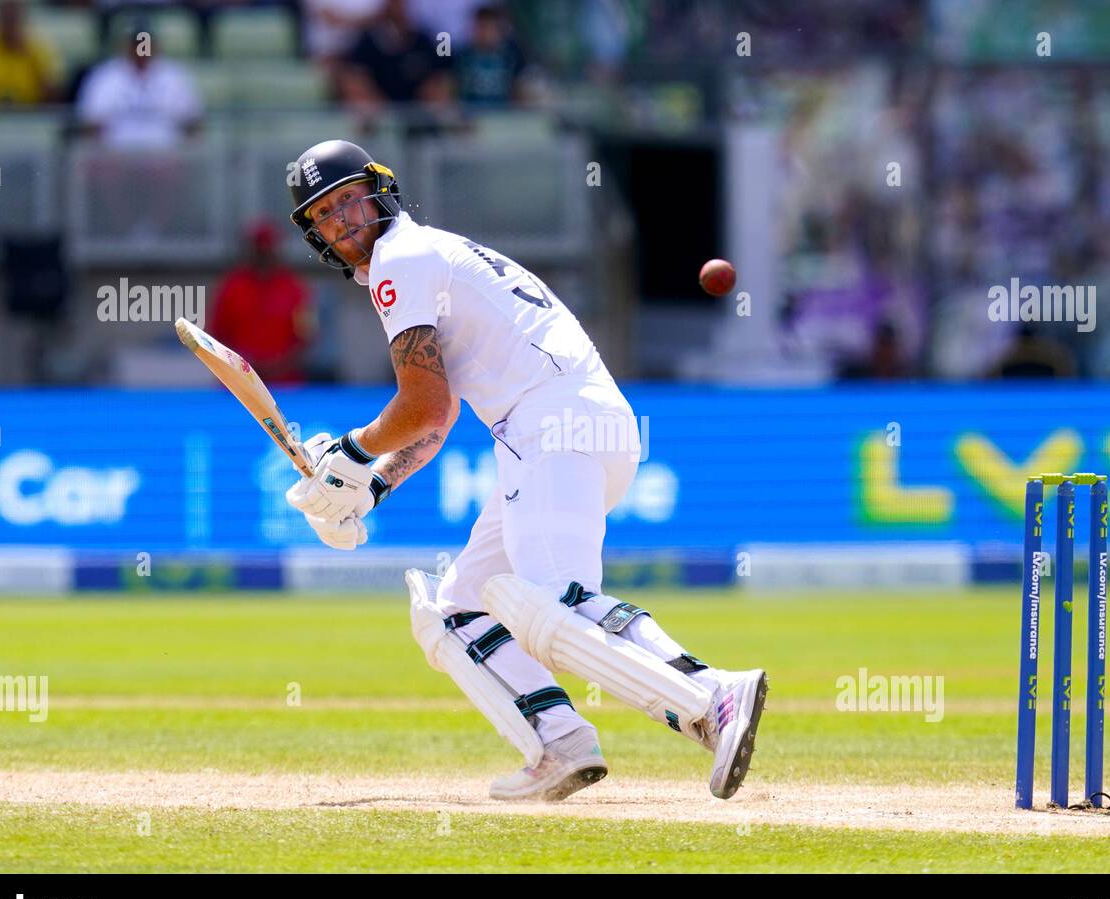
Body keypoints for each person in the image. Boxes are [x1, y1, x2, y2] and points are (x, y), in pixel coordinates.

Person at [283, 139, 767, 802]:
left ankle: (713, 693)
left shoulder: (401, 258)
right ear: (316, 236)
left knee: (550, 600)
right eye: (325, 214)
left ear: (379, 189)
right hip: (567, 425)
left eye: (348, 200)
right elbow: (439, 413)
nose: (343, 219)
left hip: (550, 423)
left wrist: (351, 453)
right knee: (453, 610)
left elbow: (418, 402)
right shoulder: (427, 255)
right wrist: (370, 489)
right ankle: (557, 742)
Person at [208, 219, 316, 385]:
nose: (263, 255)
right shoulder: (231, 287)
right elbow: (216, 336)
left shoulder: (294, 289)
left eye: (267, 249)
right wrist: (244, 364)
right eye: (258, 250)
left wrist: (278, 366)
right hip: (240, 385)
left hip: (286, 385)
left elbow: (306, 336)